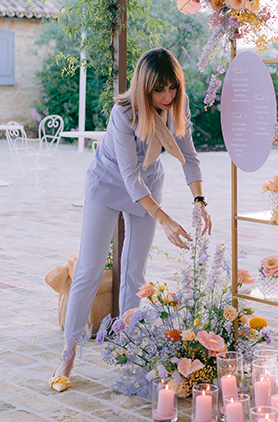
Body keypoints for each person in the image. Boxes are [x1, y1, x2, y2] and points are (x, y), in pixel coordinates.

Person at [49, 48, 212, 392]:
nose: (167, 96)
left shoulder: (174, 111)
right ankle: (68, 351)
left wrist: (199, 201)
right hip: (108, 184)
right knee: (91, 268)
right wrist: (166, 219)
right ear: (144, 89)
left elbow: (190, 160)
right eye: (159, 89)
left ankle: (129, 343)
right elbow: (128, 176)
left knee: (135, 270)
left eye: (173, 88)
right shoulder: (124, 113)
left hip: (148, 187)